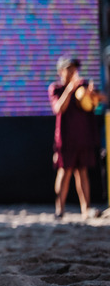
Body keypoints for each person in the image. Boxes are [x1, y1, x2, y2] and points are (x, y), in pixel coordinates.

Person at [49, 55, 104, 219]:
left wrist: (93, 95)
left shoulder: (84, 86)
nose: (73, 72)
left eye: (74, 69)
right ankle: (60, 210)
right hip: (66, 140)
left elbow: (101, 100)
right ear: (61, 71)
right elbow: (59, 108)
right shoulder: (56, 88)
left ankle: (85, 209)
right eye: (69, 69)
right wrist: (69, 89)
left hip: (83, 138)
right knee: (64, 173)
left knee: (82, 173)